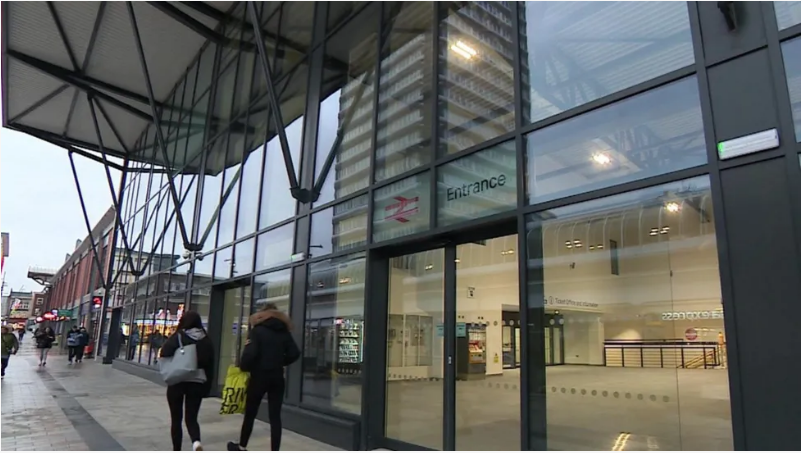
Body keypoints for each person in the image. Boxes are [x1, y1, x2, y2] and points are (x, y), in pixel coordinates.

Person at [228, 303, 300, 452]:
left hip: (259, 377)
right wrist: (281, 362)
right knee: (275, 417)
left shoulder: (257, 331)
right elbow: (295, 353)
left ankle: (242, 446)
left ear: (263, 314)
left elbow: (250, 354)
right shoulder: (284, 332)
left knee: (250, 413)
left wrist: (243, 367)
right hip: (277, 377)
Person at [160, 311, 215, 452]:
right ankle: (196, 442)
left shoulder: (178, 337)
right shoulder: (206, 340)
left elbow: (164, 352)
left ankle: (177, 449)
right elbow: (210, 366)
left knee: (176, 419)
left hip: (177, 381)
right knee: (192, 418)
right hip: (197, 382)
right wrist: (207, 387)